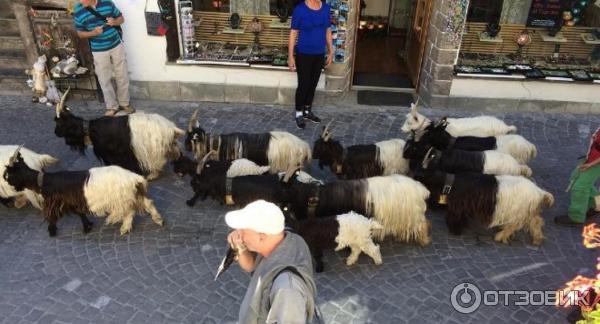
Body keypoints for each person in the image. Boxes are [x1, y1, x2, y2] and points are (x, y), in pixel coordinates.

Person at [225, 200, 318, 323]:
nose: (238, 234)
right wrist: (240, 248)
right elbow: (251, 266)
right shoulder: (285, 240)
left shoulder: (287, 290)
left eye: (243, 230)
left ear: (262, 236)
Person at [73, 0, 135, 117]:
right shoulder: (78, 10)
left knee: (122, 74)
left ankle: (124, 103)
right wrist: (93, 33)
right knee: (104, 78)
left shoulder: (107, 3)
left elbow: (121, 19)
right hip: (98, 50)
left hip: (116, 45)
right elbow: (80, 34)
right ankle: (112, 107)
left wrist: (114, 22)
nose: (80, 1)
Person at [288, 0, 334, 129]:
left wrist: (331, 51)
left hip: (319, 54)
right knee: (304, 84)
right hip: (303, 54)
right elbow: (293, 33)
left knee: (313, 83)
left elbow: (328, 30)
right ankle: (298, 112)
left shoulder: (325, 8)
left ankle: (307, 110)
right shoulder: (300, 9)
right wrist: (290, 56)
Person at [555, 127, 600, 227]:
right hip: (592, 156)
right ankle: (597, 204)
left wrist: (590, 164)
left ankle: (576, 217)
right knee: (576, 178)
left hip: (596, 162)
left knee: (580, 186)